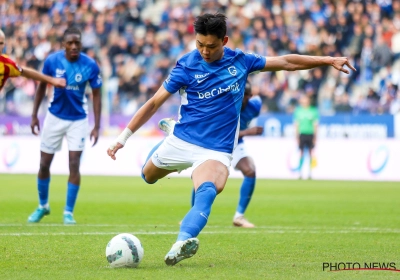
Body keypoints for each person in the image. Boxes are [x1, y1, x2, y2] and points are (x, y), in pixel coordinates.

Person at [107, 13, 355, 266]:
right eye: (200, 44)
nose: (204, 51)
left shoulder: (241, 61)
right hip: (181, 141)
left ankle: (181, 242)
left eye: (211, 46)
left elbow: (286, 62)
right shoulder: (185, 65)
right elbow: (153, 103)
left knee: (207, 191)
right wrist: (123, 138)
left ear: (224, 41)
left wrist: (327, 60)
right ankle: (171, 130)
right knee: (147, 176)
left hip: (215, 150)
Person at [158, 81, 263, 228]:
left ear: (249, 96)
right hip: (216, 144)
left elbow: (258, 100)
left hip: (236, 145)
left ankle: (239, 217)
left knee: (250, 170)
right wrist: (247, 132)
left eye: (244, 95)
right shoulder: (225, 106)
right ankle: (193, 215)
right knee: (204, 178)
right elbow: (220, 131)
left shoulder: (255, 106)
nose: (240, 97)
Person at [28, 26, 102, 225]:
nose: (74, 46)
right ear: (63, 44)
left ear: (81, 43)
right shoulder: (52, 61)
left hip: (78, 119)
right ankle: (43, 206)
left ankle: (68, 212)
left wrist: (97, 126)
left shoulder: (90, 65)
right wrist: (34, 115)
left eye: (77, 42)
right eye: (70, 42)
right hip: (54, 117)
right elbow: (41, 86)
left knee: (74, 164)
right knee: (44, 164)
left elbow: (96, 95)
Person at [0, 29, 66, 91]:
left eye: (1, 43)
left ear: (4, 45)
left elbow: (26, 72)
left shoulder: (6, 64)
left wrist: (52, 80)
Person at [293, 94, 319, 179]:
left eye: (306, 100)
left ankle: (310, 173)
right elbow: (296, 124)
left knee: (311, 153)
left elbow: (315, 125)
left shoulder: (313, 111)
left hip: (310, 134)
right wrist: (296, 136)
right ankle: (300, 172)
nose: (304, 102)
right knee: (301, 153)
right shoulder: (298, 111)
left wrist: (315, 136)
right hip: (302, 134)